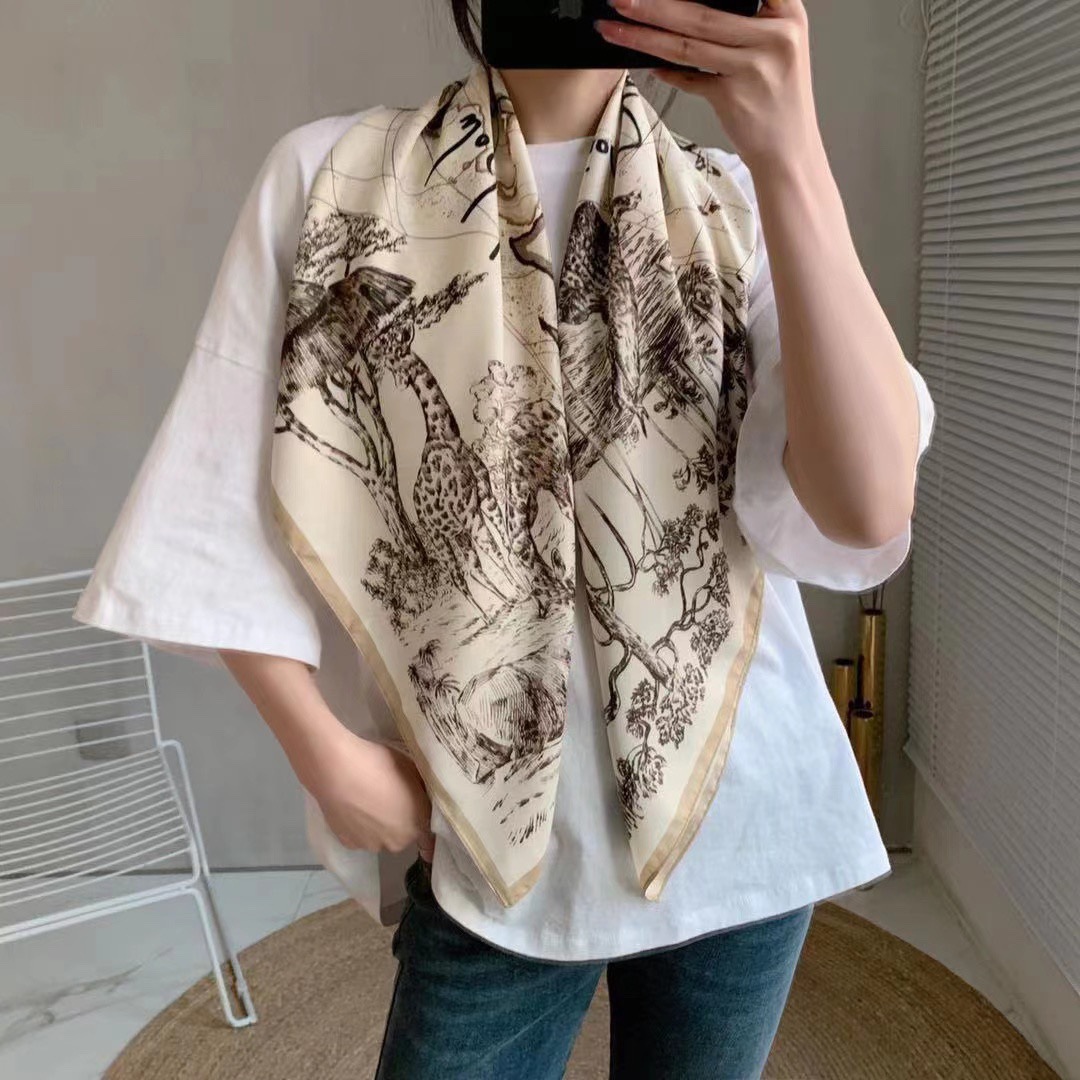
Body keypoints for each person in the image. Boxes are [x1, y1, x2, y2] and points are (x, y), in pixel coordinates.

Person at [74, 0, 937, 1076]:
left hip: (739, 804)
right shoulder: (335, 182)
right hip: (486, 824)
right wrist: (324, 754)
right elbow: (212, 498)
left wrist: (792, 153)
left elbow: (867, 507)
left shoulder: (739, 200)